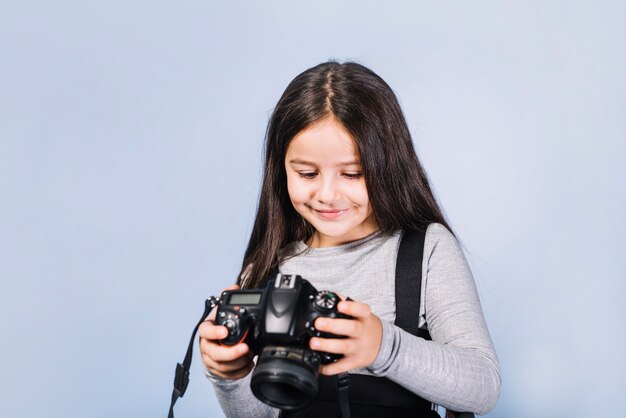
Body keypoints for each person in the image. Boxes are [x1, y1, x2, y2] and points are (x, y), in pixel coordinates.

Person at [198, 61, 501, 417]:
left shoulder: (424, 252)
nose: (327, 194)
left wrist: (382, 346)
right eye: (307, 173)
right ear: (281, 170)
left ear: (388, 164)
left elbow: (483, 386)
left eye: (352, 173)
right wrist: (230, 375)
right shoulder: (268, 269)